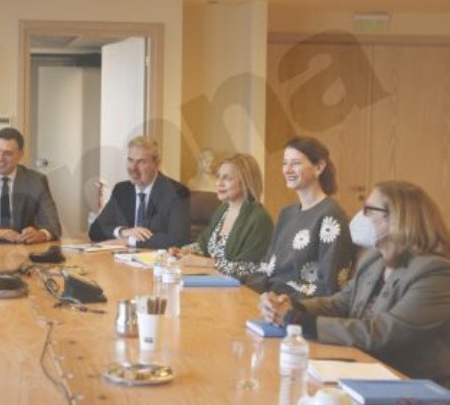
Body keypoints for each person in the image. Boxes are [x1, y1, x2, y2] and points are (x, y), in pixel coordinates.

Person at [260, 181, 450, 387]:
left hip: (410, 384)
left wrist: (301, 321)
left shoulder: (435, 273)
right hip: (365, 368)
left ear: (396, 218)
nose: (361, 216)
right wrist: (293, 305)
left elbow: (382, 333)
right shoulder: (374, 259)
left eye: (369, 210)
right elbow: (341, 302)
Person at [249, 136, 354, 297]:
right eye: (285, 163)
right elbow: (266, 267)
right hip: (267, 297)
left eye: (296, 163)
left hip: (296, 305)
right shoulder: (286, 213)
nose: (287, 170)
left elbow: (328, 286)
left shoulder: (331, 216)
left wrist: (282, 303)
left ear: (319, 167)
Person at [170, 154, 273, 281]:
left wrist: (208, 263)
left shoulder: (259, 219)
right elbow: (204, 244)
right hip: (213, 281)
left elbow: (250, 268)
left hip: (240, 288)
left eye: (227, 178)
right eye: (218, 177)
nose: (219, 183)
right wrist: (184, 251)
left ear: (246, 182)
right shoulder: (224, 209)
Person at [88, 136, 190, 249]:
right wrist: (123, 232)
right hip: (122, 258)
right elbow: (95, 230)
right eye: (130, 160)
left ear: (157, 163)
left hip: (156, 259)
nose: (133, 168)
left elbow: (178, 240)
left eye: (141, 162)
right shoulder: (121, 190)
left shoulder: (177, 193)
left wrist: (130, 241)